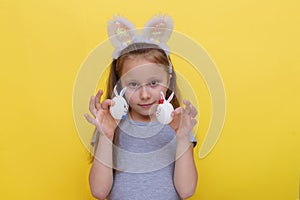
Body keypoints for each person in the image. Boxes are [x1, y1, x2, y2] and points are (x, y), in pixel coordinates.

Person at [84, 15, 198, 200]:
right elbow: (99, 192)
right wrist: (106, 136)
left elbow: (186, 191)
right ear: (119, 85)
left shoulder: (179, 127)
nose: (144, 95)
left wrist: (183, 137)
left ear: (169, 80)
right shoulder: (110, 127)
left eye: (153, 83)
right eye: (133, 85)